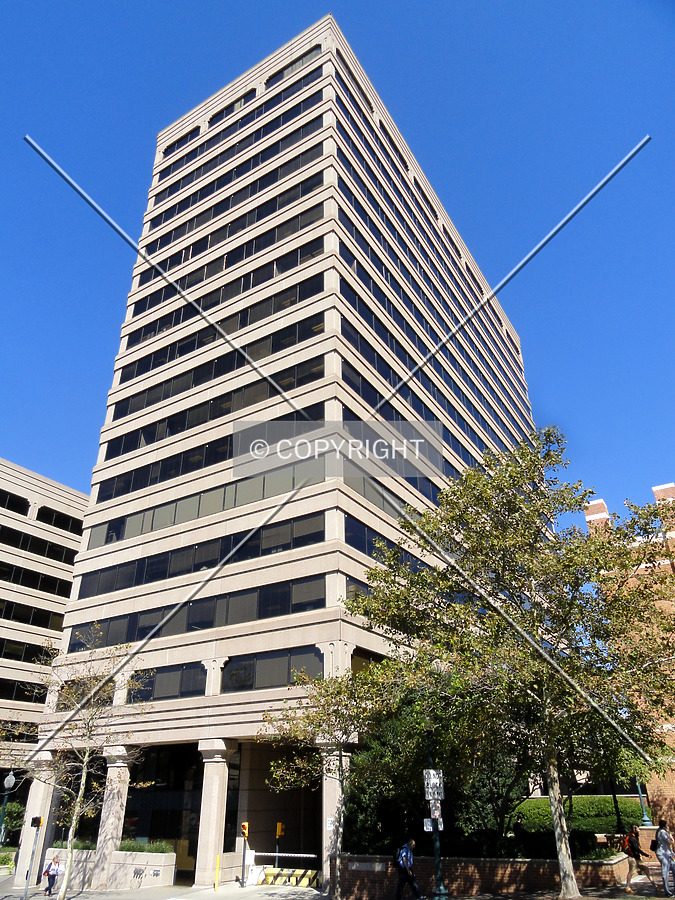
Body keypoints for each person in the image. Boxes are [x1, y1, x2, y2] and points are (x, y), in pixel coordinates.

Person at [625, 824, 652, 893]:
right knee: (631, 872)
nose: (639, 830)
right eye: (638, 829)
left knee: (645, 869)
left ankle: (655, 885)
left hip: (636, 858)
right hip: (632, 858)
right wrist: (646, 855)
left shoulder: (634, 837)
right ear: (634, 829)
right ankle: (627, 887)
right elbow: (637, 849)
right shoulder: (632, 838)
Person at [655, 820, 675, 896]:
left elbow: (667, 846)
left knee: (674, 868)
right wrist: (669, 833)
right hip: (662, 854)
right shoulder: (662, 832)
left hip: (667, 854)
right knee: (665, 872)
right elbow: (671, 842)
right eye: (667, 824)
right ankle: (667, 891)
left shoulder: (661, 832)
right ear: (665, 825)